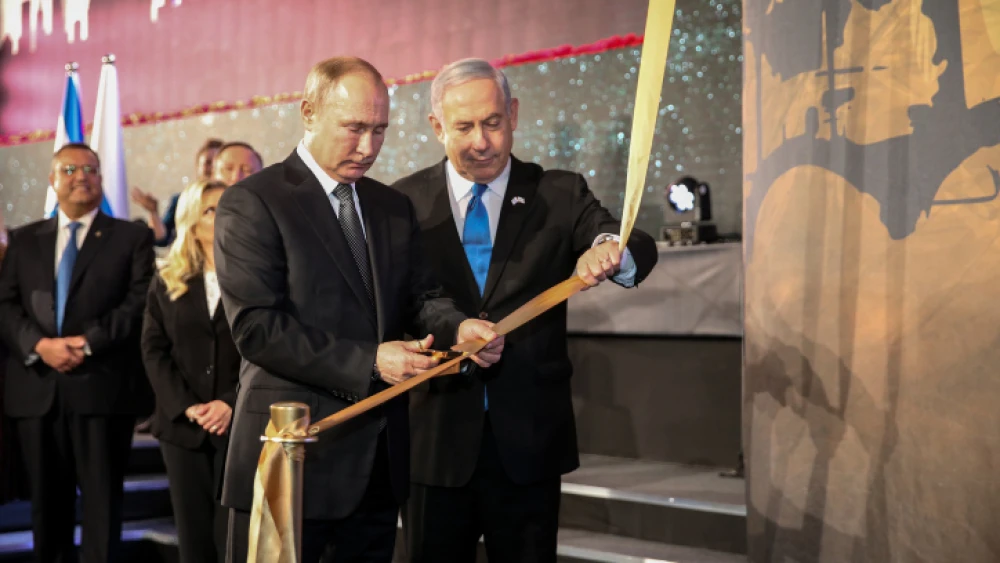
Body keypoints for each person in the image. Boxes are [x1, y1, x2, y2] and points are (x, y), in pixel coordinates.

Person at [214, 56, 504, 563]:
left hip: (376, 466)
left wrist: (461, 327)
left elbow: (422, 298)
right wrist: (371, 361)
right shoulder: (253, 202)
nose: (368, 147)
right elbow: (257, 329)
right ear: (308, 112)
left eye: (380, 130)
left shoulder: (390, 206)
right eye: (353, 128)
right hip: (290, 457)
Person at [393, 58, 659, 563]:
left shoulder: (558, 192)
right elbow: (401, 299)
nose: (481, 142)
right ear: (436, 127)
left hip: (528, 441)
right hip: (434, 438)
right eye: (464, 126)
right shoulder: (401, 202)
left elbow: (629, 240)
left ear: (513, 113)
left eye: (493, 123)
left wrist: (609, 248)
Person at [0, 143, 155, 562]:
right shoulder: (24, 239)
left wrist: (87, 343)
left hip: (103, 389)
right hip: (38, 392)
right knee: (46, 506)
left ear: (101, 178)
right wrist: (39, 345)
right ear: (53, 180)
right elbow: (6, 304)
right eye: (68, 169)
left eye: (90, 169)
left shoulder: (132, 236)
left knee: (103, 505)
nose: (80, 176)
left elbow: (138, 303)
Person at [141, 179, 238, 562]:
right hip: (182, 427)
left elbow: (267, 350)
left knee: (234, 536)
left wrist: (230, 403)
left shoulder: (258, 277)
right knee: (194, 541)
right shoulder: (167, 278)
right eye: (212, 210)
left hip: (238, 424)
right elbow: (153, 349)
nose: (223, 215)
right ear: (193, 221)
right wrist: (186, 405)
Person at [132, 138, 225, 247]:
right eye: (208, 162)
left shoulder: (235, 202)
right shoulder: (181, 201)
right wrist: (153, 213)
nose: (212, 168)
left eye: (217, 163)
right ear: (197, 167)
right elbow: (161, 240)